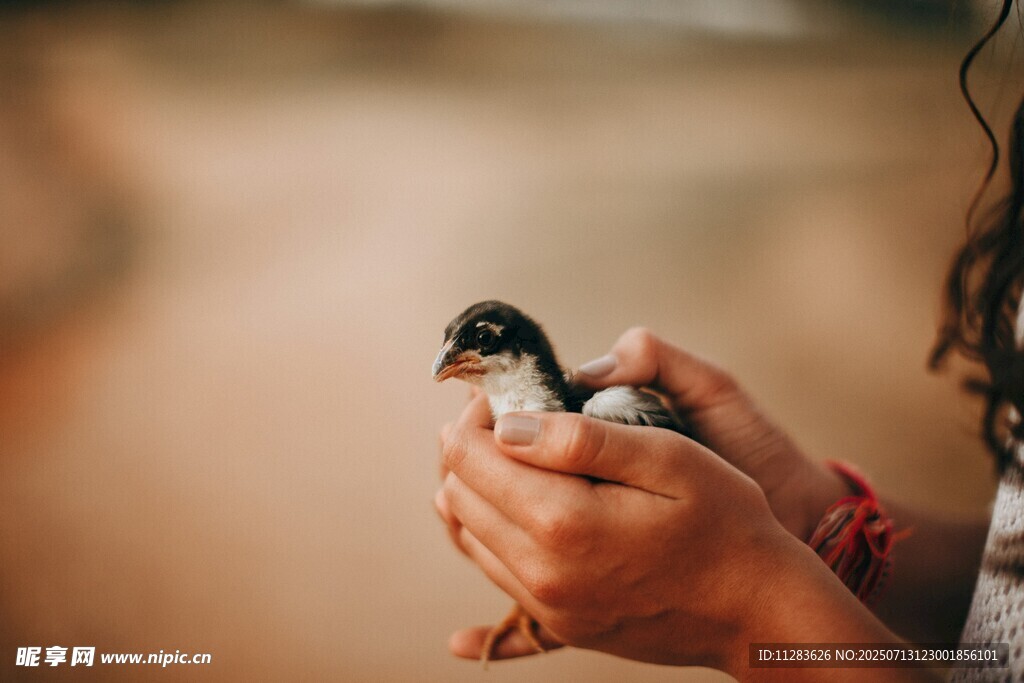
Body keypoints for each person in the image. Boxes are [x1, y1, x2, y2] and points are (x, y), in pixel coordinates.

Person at [434, 4, 1024, 680]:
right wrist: (809, 519)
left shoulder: (611, 410)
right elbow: (1013, 589)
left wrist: (751, 612)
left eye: (474, 344)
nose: (453, 362)